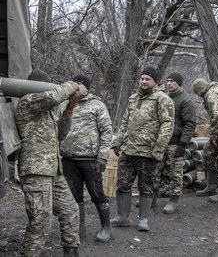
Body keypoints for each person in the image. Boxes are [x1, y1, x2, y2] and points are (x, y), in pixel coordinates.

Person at [15, 69, 82, 256]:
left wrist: (69, 110)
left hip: (54, 170)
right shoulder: (27, 102)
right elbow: (53, 97)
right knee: (41, 220)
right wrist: (72, 85)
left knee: (70, 210)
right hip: (36, 171)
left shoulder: (49, 111)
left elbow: (61, 135)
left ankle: (71, 252)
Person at [110, 67, 174, 232]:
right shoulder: (133, 98)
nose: (144, 81)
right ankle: (122, 217)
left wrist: (159, 149)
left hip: (148, 153)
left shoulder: (162, 99)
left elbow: (167, 125)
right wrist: (117, 142)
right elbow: (125, 122)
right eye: (142, 78)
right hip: (128, 151)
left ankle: (143, 219)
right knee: (123, 185)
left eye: (148, 79)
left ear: (155, 81)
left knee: (146, 187)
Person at [60, 74, 113, 242]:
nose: (76, 86)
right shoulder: (64, 104)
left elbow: (106, 132)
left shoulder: (97, 106)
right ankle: (79, 228)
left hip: (90, 159)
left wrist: (103, 157)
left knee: (97, 194)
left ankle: (106, 227)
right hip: (68, 159)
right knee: (75, 197)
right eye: (74, 83)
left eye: (80, 84)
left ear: (87, 88)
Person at [159, 72, 196, 214]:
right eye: (167, 81)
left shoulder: (185, 100)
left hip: (176, 142)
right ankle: (152, 198)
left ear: (179, 83)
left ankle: (173, 201)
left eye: (172, 81)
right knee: (155, 170)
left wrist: (183, 144)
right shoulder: (165, 98)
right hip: (162, 141)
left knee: (176, 173)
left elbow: (190, 124)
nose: (169, 83)